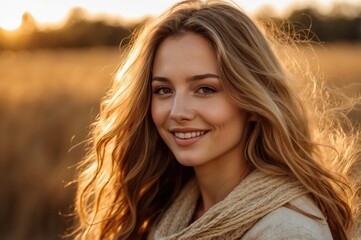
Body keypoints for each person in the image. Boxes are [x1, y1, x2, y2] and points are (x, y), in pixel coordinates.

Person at [70, 0, 360, 239]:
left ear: (253, 102)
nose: (177, 111)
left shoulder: (287, 232)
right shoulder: (170, 210)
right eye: (163, 90)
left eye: (205, 89)